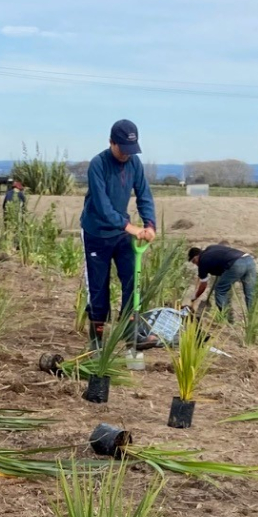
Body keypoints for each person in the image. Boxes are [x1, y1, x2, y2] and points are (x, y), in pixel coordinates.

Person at [81, 120, 162, 350]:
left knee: (132, 281)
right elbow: (102, 205)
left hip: (122, 234)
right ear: (111, 143)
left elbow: (144, 194)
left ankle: (131, 332)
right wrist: (130, 228)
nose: (127, 155)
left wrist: (150, 225)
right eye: (123, 150)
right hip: (96, 232)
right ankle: (96, 341)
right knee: (98, 287)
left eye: (131, 151)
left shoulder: (134, 163)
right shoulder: (98, 164)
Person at [187, 244, 257, 319]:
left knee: (220, 291)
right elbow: (221, 262)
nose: (196, 264)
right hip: (249, 260)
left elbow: (203, 286)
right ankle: (253, 320)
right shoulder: (211, 248)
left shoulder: (202, 261)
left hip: (236, 264)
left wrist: (195, 296)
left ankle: (227, 319)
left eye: (194, 262)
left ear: (196, 257)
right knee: (250, 293)